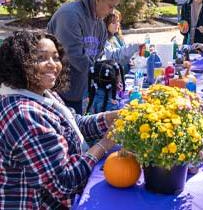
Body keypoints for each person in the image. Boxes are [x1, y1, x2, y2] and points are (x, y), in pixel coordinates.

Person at [0, 31, 117, 209]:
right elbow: (64, 181)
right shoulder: (23, 114)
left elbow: (72, 125)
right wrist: (105, 144)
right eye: (41, 58)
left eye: (56, 57)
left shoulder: (41, 93)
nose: (53, 65)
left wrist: (112, 118)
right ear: (19, 64)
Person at [48, 0, 120, 114]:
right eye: (110, 6)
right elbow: (75, 56)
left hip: (84, 94)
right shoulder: (69, 16)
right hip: (59, 95)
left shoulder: (100, 24)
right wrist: (101, 72)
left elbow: (97, 56)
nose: (112, 12)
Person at [103, 9, 140, 74]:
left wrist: (130, 60)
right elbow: (113, 57)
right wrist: (134, 46)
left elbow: (123, 53)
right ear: (106, 24)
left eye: (118, 21)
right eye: (114, 22)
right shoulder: (104, 41)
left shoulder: (116, 37)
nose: (117, 24)